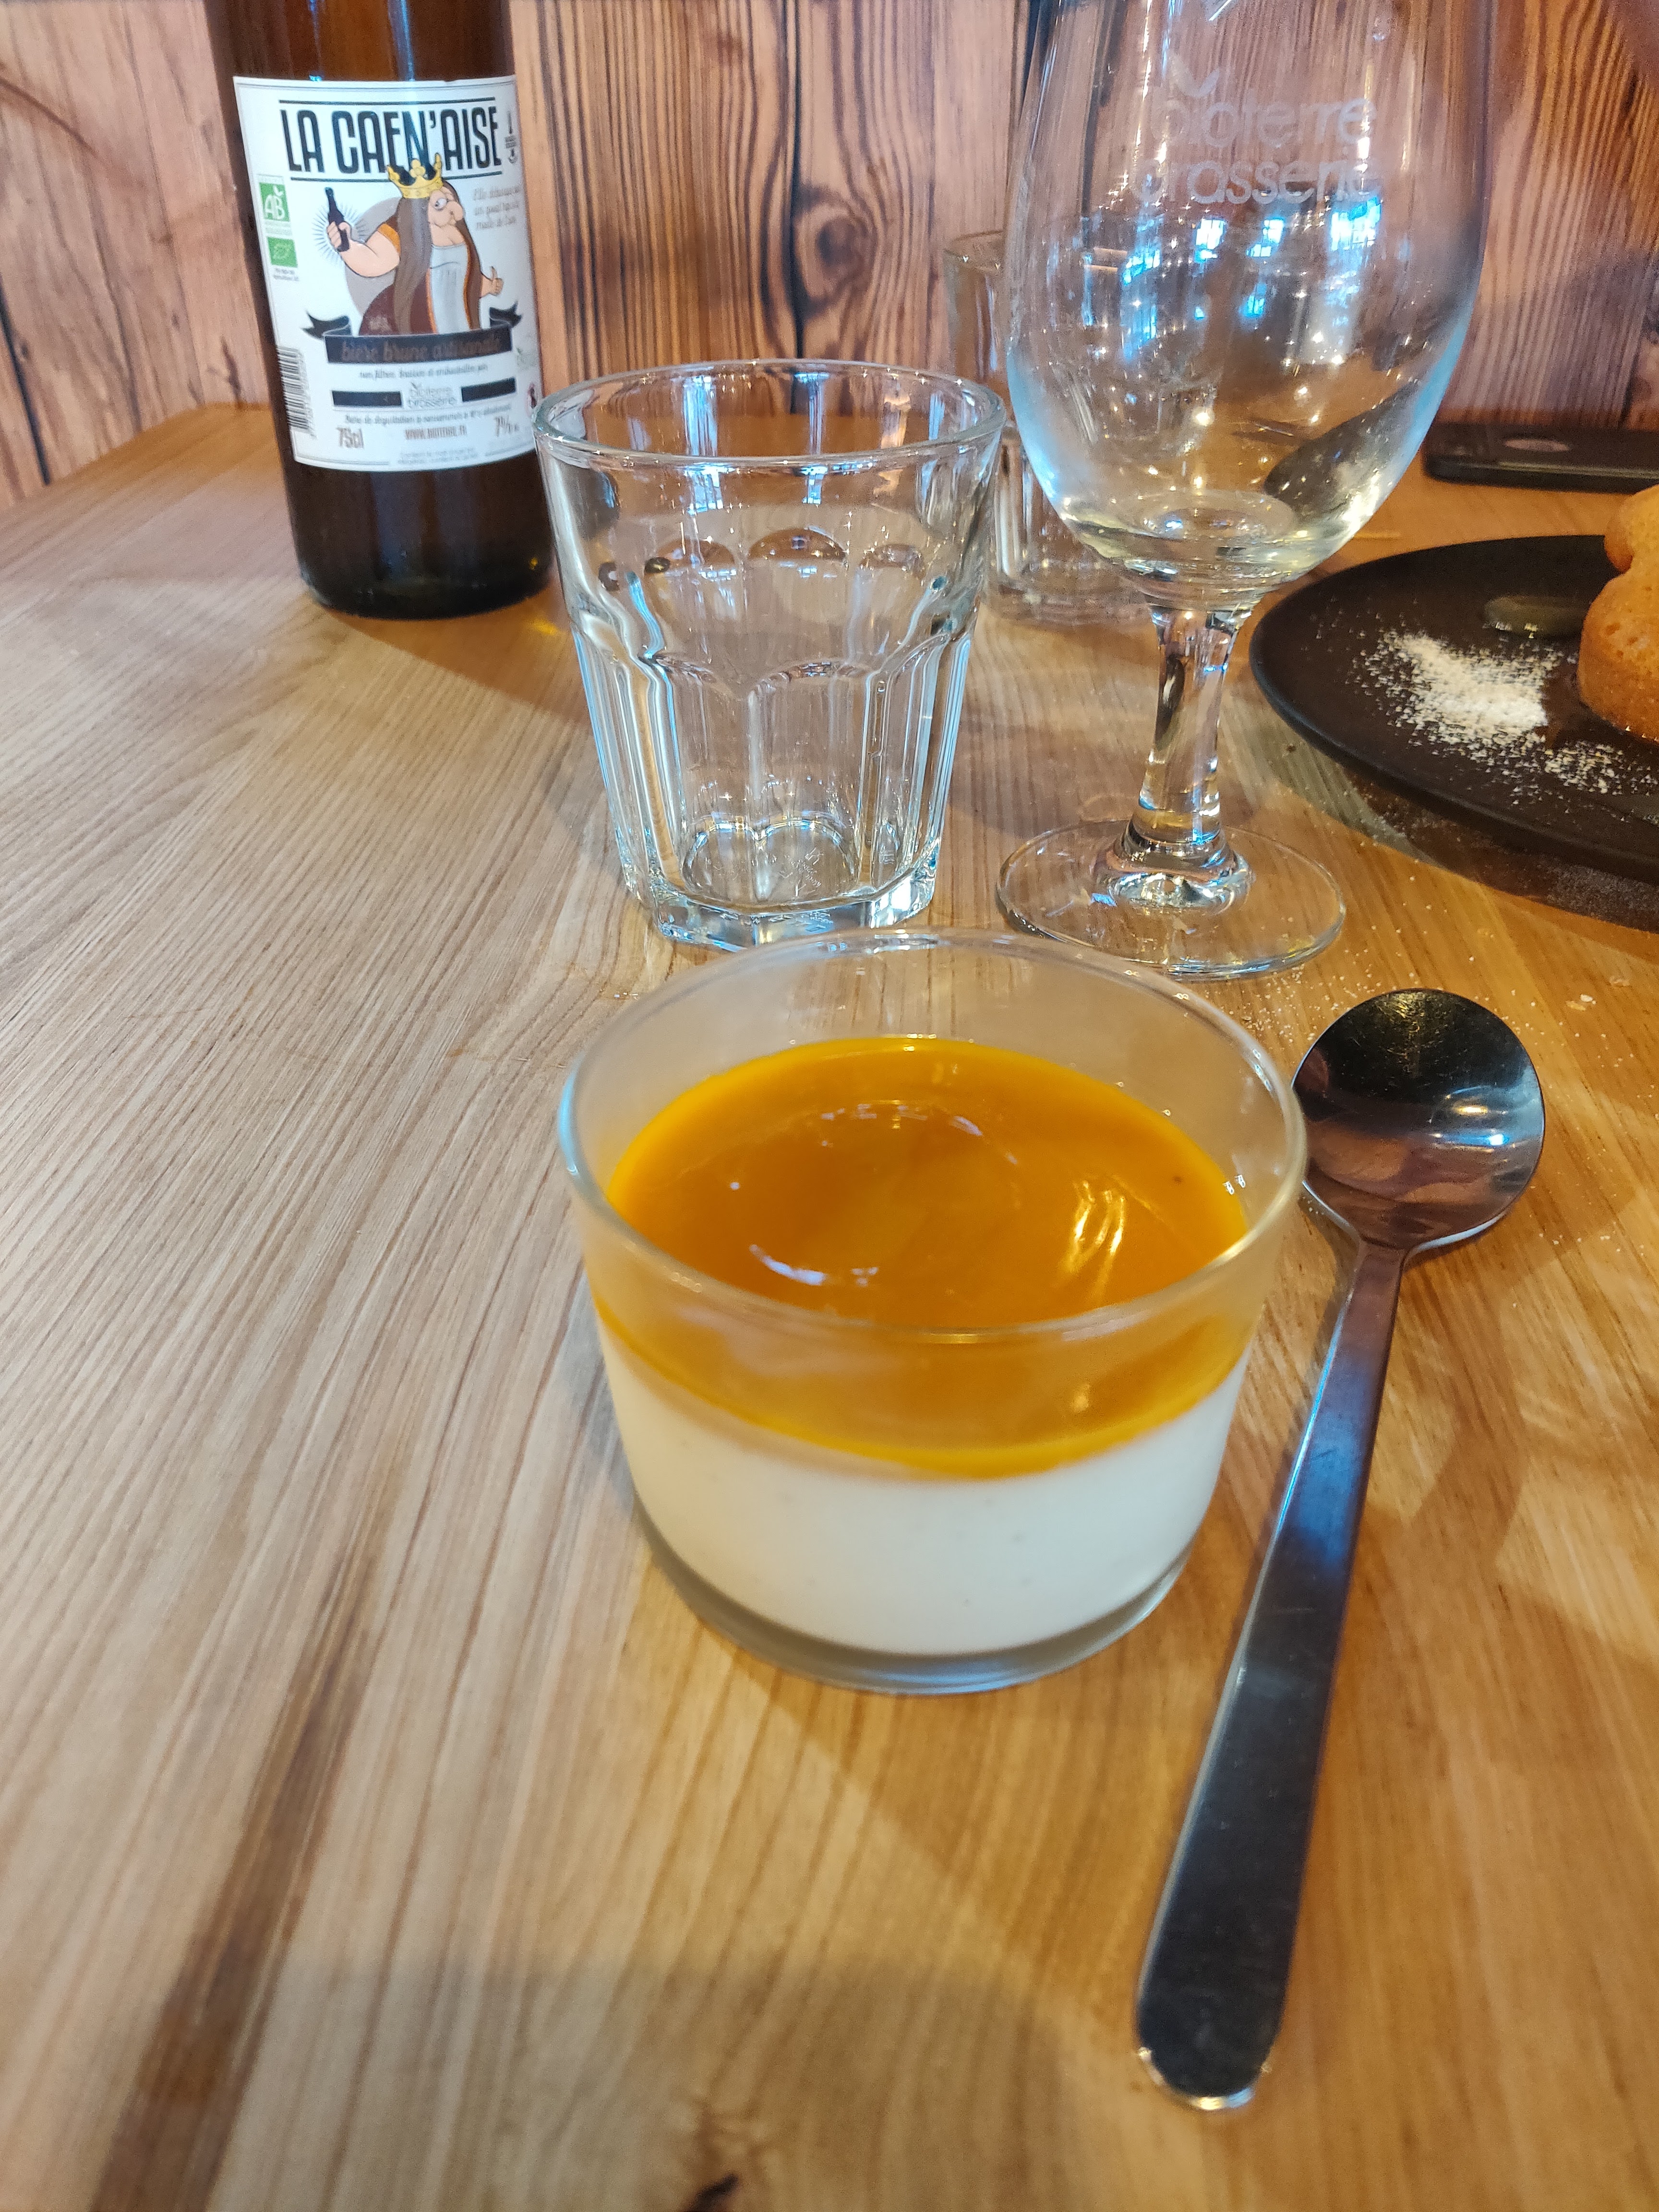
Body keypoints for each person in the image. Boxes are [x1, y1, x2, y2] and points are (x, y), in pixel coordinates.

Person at [326, 157, 503, 336]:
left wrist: (488, 286)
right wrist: (346, 246)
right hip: (424, 321)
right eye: (439, 204)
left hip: (461, 320)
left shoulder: (459, 233)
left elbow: (468, 275)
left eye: (450, 199)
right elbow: (374, 260)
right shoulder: (405, 230)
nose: (451, 208)